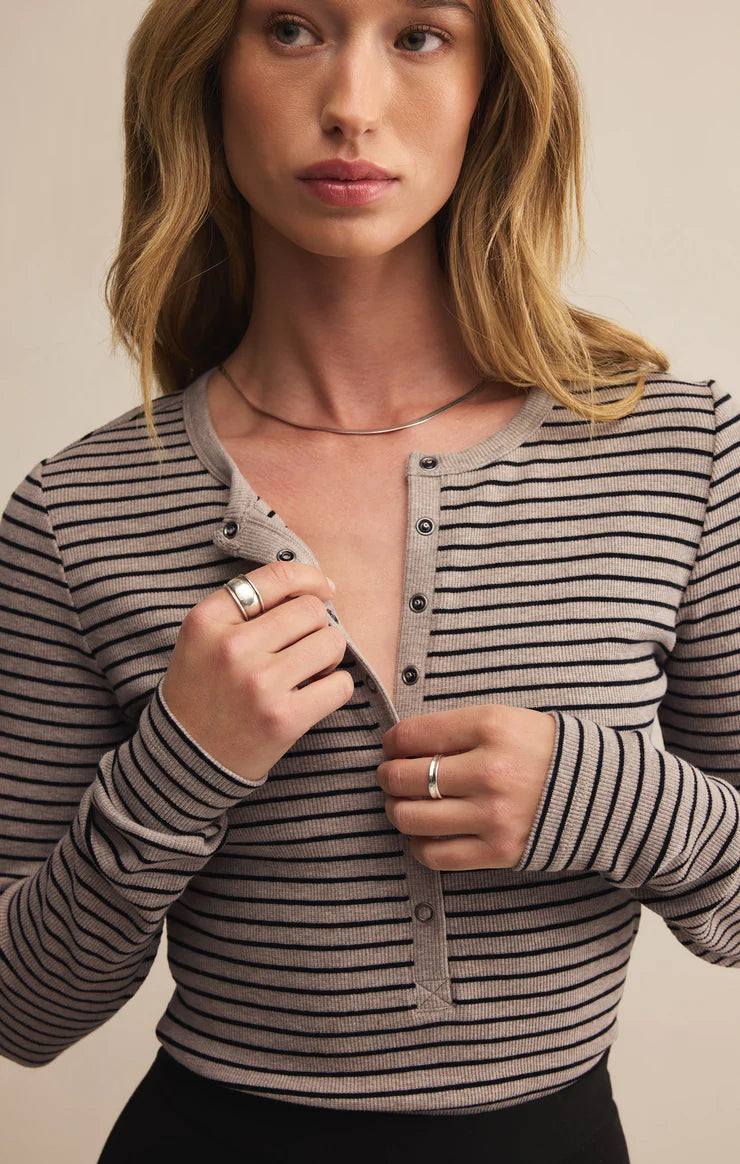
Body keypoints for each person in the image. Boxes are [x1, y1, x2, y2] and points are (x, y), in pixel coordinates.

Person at [1, 1, 738, 1161]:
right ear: (208, 74)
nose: (350, 104)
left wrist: (600, 795)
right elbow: (23, 1013)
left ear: (495, 87)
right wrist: (175, 772)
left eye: (418, 35)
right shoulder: (76, 511)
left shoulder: (678, 455)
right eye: (291, 29)